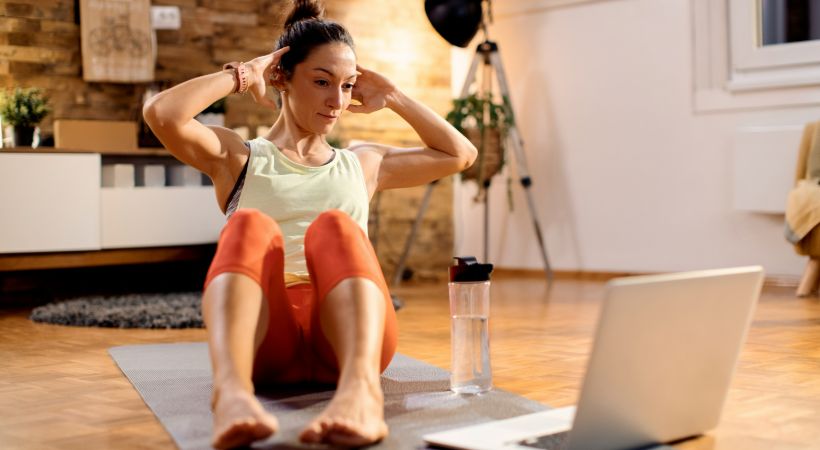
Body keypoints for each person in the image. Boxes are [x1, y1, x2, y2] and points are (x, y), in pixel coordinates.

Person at [143, 0, 476, 447]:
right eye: (322, 82)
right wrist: (243, 73)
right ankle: (232, 394)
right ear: (282, 77)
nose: (337, 101)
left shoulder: (363, 162)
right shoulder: (238, 157)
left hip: (350, 339)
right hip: (266, 338)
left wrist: (393, 96)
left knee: (336, 227)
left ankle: (361, 395)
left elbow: (461, 155)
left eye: (348, 86)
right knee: (247, 227)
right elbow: (161, 114)